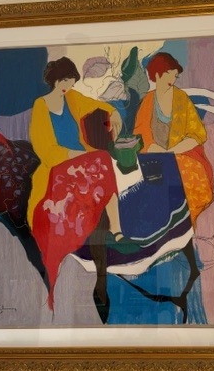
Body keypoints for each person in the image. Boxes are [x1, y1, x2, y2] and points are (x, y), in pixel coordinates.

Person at [27, 57, 138, 308]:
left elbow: (95, 104)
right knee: (102, 159)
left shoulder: (72, 99)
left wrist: (113, 112)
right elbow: (45, 150)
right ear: (56, 80)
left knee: (103, 161)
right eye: (66, 81)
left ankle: (117, 232)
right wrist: (78, 155)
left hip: (82, 162)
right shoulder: (40, 106)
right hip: (56, 168)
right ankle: (113, 232)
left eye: (72, 81)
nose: (69, 86)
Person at [134, 52, 214, 226]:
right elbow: (141, 134)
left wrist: (171, 152)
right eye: (168, 74)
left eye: (175, 76)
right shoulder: (148, 100)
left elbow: (197, 134)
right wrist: (153, 148)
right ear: (157, 74)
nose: (173, 79)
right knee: (143, 185)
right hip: (154, 157)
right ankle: (160, 227)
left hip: (185, 155)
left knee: (180, 180)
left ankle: (182, 226)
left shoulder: (181, 98)